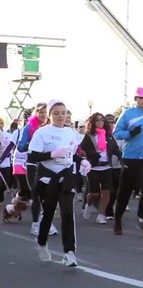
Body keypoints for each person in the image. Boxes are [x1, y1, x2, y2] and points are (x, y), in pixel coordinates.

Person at [28, 100, 92, 266]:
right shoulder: (42, 133)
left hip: (66, 177)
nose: (60, 116)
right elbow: (32, 156)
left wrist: (83, 161)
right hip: (47, 179)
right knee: (48, 213)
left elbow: (73, 153)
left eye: (63, 113)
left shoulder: (70, 132)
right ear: (49, 115)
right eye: (56, 113)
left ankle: (69, 253)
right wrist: (51, 154)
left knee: (68, 214)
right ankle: (42, 243)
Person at [112, 87, 143, 234]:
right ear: (136, 99)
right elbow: (116, 134)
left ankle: (141, 217)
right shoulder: (127, 114)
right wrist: (130, 133)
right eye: (141, 98)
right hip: (130, 158)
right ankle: (118, 219)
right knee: (125, 191)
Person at [17, 102, 58, 236]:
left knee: (49, 195)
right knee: (36, 195)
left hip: (48, 165)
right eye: (40, 112)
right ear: (36, 113)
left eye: (46, 112)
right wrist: (33, 144)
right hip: (33, 165)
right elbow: (21, 147)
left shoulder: (52, 128)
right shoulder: (29, 128)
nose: (43, 115)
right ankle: (35, 224)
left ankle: (46, 221)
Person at [80, 112, 121, 224]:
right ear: (93, 122)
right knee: (95, 193)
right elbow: (82, 148)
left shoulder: (108, 135)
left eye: (102, 120)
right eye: (97, 120)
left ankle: (101, 214)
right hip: (93, 168)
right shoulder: (89, 135)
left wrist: (119, 156)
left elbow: (115, 148)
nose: (100, 122)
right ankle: (88, 204)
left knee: (107, 191)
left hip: (106, 167)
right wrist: (92, 153)